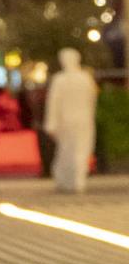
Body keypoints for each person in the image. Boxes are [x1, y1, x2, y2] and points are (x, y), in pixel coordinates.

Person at [44, 46, 98, 192]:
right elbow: (92, 101)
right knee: (78, 150)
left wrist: (51, 124)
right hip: (81, 120)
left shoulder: (60, 80)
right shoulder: (85, 78)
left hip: (68, 121)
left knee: (67, 151)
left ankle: (70, 181)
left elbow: (53, 103)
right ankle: (74, 181)